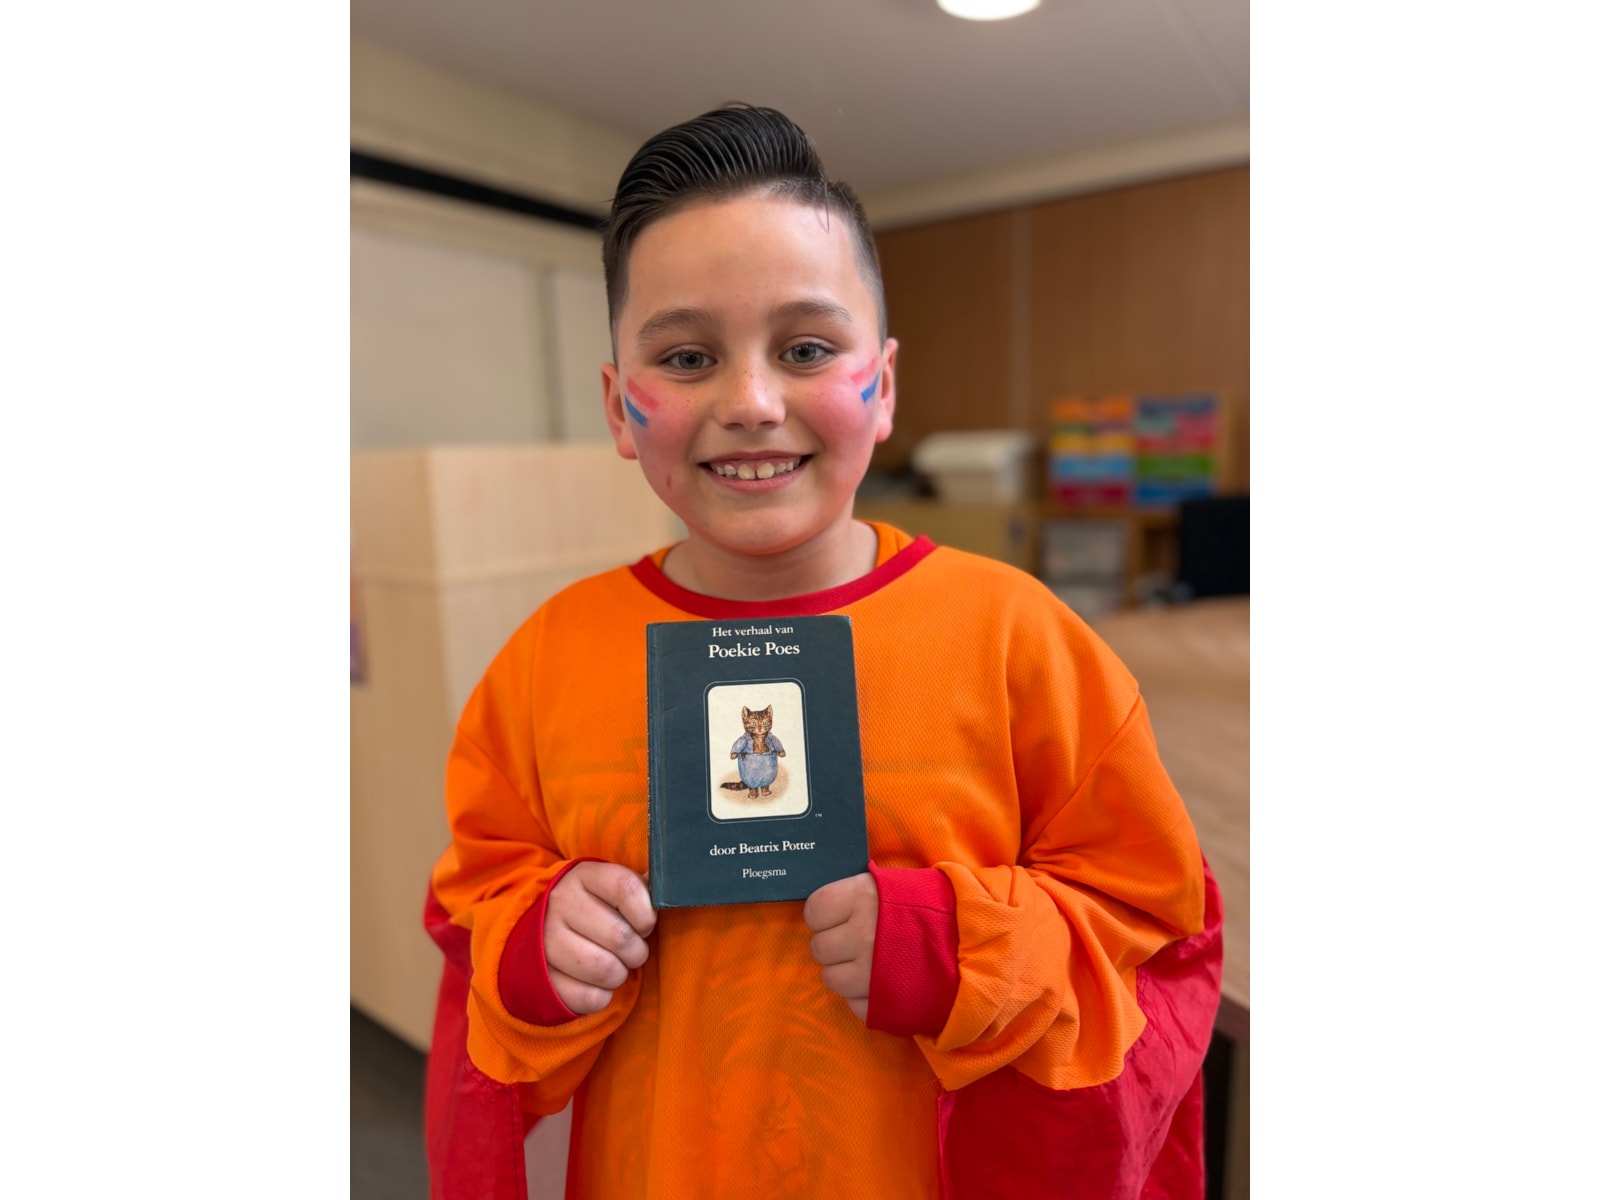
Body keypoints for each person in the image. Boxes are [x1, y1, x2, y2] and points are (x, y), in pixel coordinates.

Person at [423, 104, 1222, 1200]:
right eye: (687, 357)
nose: (751, 403)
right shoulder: (544, 663)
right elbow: (473, 907)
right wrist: (536, 946)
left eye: (805, 349)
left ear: (881, 386)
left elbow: (1155, 932)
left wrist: (965, 948)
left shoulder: (1020, 640)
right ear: (618, 407)